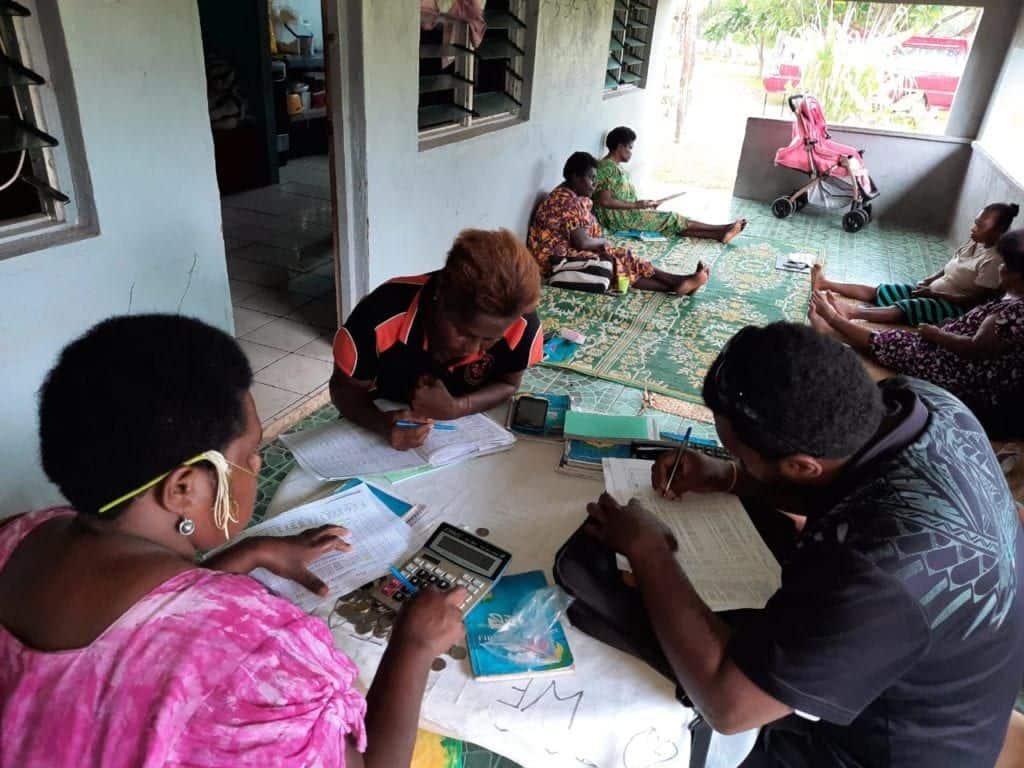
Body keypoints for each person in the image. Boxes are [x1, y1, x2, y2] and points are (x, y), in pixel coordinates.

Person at [0, 314, 467, 767]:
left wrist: (249, 553)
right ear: (184, 489)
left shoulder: (17, 533)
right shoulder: (259, 655)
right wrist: (415, 646)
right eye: (250, 452)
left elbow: (134, 637)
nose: (258, 467)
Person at [582, 322, 1024, 767]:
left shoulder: (875, 571)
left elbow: (728, 705)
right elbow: (842, 481)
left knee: (653, 696)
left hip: (884, 748)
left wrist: (651, 552)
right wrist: (728, 475)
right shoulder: (924, 403)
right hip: (943, 678)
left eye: (738, 452)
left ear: (800, 465)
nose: (733, 455)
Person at [331, 228, 544, 451]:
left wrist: (458, 407)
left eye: (490, 339)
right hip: (382, 418)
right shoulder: (379, 315)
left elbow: (509, 384)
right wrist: (381, 424)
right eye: (464, 333)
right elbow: (343, 389)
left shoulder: (522, 324)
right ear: (440, 294)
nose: (472, 349)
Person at [809, 228, 1024, 438]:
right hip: (949, 348)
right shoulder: (1011, 294)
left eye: (1006, 265)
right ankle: (831, 331)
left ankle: (833, 320)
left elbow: (976, 349)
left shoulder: (1016, 313)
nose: (1001, 268)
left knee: (895, 341)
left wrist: (937, 335)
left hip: (962, 372)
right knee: (901, 335)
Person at [528, 151, 710, 294]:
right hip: (554, 260)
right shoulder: (567, 202)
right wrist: (603, 242)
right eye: (591, 178)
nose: (594, 184)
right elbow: (582, 242)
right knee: (616, 257)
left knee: (618, 258)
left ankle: (677, 283)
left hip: (559, 251)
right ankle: (675, 283)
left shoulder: (566, 194)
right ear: (575, 177)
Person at [811, 202, 1020, 326]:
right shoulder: (976, 241)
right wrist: (929, 281)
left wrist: (934, 295)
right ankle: (825, 283)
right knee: (886, 290)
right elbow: (950, 265)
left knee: (909, 307)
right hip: (935, 292)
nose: (973, 228)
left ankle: (852, 313)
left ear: (998, 231)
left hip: (954, 308)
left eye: (980, 225)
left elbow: (973, 301)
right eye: (975, 222)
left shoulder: (993, 261)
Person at [593, 126, 746, 243]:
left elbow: (619, 196)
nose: (632, 152)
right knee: (672, 218)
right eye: (630, 147)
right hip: (620, 220)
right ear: (620, 147)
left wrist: (646, 204)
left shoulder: (616, 168)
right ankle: (723, 228)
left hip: (628, 214)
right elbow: (604, 201)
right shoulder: (607, 168)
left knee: (669, 223)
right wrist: (636, 206)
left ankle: (720, 234)